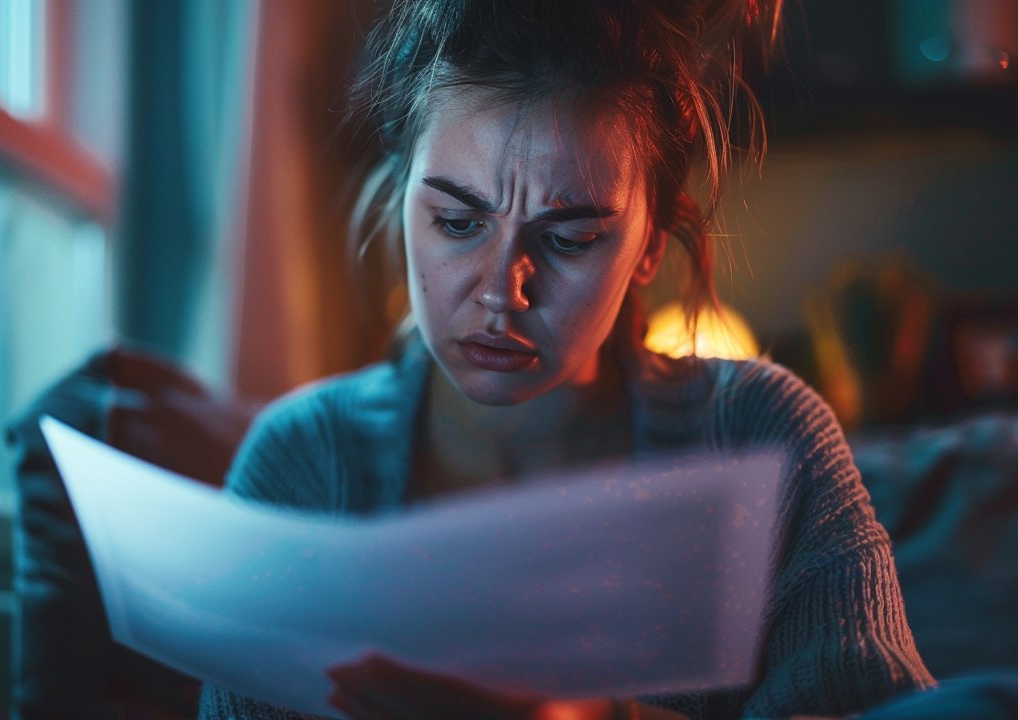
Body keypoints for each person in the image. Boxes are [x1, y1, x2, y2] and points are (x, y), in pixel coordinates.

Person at [198, 1, 936, 718]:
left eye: (570, 239)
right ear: (400, 201)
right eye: (457, 222)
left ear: (649, 246)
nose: (500, 292)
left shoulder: (761, 438)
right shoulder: (304, 463)